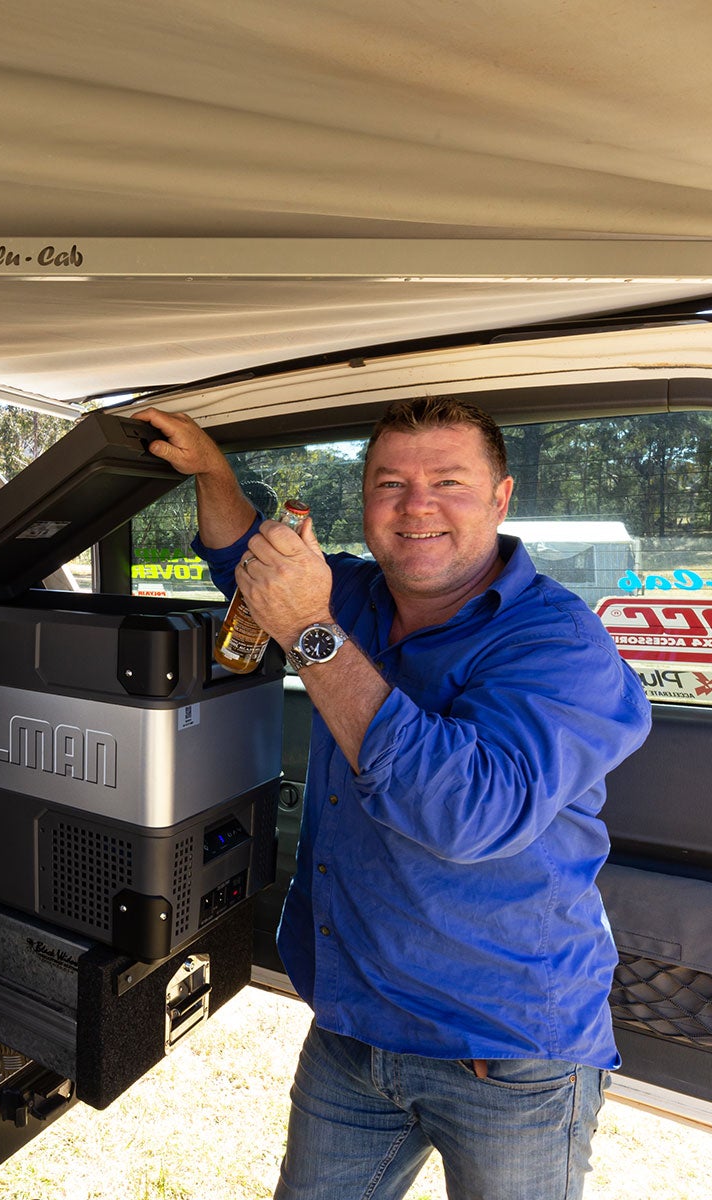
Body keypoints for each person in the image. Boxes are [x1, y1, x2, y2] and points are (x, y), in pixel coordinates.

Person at [137, 397, 652, 1200]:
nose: (416, 505)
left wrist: (309, 629)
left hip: (501, 1048)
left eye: (448, 480)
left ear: (500, 498)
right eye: (389, 483)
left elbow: (467, 814)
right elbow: (244, 559)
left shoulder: (557, 644)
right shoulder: (353, 594)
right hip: (351, 1026)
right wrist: (211, 469)